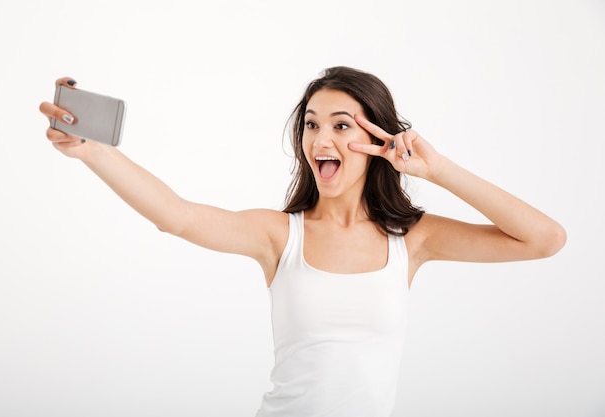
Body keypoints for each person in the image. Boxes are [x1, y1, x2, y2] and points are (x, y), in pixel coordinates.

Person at [39, 66, 566, 417]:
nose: (321, 139)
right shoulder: (280, 235)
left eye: (342, 125)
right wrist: (92, 152)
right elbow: (176, 216)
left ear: (378, 139)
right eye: (312, 125)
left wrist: (438, 169)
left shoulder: (415, 239)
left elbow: (544, 239)